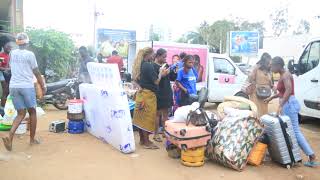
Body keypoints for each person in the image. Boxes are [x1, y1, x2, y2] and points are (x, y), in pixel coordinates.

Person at [264, 56, 319, 167]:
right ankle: (295, 154)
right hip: (288, 103)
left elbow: (289, 90)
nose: (271, 68)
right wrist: (271, 98)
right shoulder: (283, 75)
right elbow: (283, 92)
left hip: (289, 104)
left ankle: (311, 156)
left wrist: (281, 105)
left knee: (294, 131)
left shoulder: (285, 75)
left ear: (278, 65)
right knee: (291, 131)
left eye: (272, 65)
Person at [2, 33, 46, 151]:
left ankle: (10, 136)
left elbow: (9, 67)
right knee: (32, 112)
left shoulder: (12, 53)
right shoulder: (30, 54)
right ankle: (32, 140)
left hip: (13, 86)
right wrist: (43, 85)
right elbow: (36, 72)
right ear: (27, 43)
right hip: (26, 86)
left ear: (17, 43)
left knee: (20, 113)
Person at [132, 47, 168, 149]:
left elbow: (133, 80)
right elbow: (156, 81)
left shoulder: (140, 64)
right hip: (148, 96)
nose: (154, 55)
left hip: (141, 94)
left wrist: (139, 87)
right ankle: (147, 142)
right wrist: (161, 73)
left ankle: (142, 140)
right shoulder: (148, 65)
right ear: (149, 54)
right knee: (147, 118)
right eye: (153, 54)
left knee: (140, 118)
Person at [152, 48, 172, 142]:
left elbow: (171, 77)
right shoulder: (153, 66)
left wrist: (171, 72)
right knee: (157, 114)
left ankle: (165, 131)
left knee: (166, 114)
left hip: (167, 92)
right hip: (158, 92)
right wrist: (161, 74)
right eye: (164, 57)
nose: (165, 59)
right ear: (158, 56)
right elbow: (154, 80)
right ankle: (156, 134)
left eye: (166, 57)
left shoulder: (166, 65)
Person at [247, 53, 273, 118]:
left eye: (270, 63)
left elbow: (271, 83)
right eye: (268, 63)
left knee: (264, 113)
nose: (269, 64)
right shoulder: (257, 68)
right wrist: (255, 69)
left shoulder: (269, 70)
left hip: (265, 94)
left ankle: (262, 126)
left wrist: (272, 86)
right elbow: (250, 79)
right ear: (264, 62)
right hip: (256, 94)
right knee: (256, 112)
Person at [0, 41, 12, 107]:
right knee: (5, 90)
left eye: (10, 47)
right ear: (3, 47)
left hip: (9, 75)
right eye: (7, 46)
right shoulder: (1, 55)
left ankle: (9, 107)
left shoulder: (11, 55)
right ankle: (2, 109)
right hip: (2, 74)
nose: (9, 48)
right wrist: (6, 69)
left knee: (10, 92)